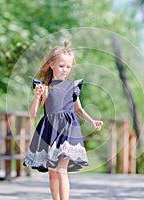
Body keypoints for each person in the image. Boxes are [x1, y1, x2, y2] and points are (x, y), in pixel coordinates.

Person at [23, 41, 103, 200]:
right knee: (52, 174)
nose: (65, 70)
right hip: (50, 131)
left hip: (68, 130)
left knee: (61, 170)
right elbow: (31, 114)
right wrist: (36, 97)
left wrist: (92, 121)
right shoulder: (44, 87)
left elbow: (78, 109)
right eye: (61, 66)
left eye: (68, 67)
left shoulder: (73, 87)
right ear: (51, 64)